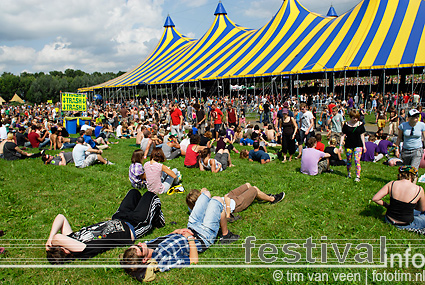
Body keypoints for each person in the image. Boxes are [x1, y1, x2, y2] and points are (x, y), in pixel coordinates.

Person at [121, 189, 238, 281]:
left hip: (192, 226)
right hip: (203, 236)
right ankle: (225, 234)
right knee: (217, 200)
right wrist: (189, 238)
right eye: (140, 247)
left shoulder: (148, 245)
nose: (141, 243)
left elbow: (166, 238)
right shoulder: (162, 261)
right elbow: (193, 260)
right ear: (145, 260)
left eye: (137, 245)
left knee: (205, 194)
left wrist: (176, 231)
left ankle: (217, 219)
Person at [45, 189, 165, 264]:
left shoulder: (71, 239)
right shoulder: (81, 250)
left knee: (133, 193)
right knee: (150, 196)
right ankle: (157, 221)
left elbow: (61, 217)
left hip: (119, 218)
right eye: (59, 246)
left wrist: (50, 238)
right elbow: (57, 237)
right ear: (64, 250)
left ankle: (146, 211)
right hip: (133, 227)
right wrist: (51, 240)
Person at [186, 183, 285, 221]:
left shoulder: (194, 210)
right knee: (254, 189)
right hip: (235, 204)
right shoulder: (208, 210)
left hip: (228, 197)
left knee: (247, 185)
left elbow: (204, 189)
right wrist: (227, 202)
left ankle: (260, 196)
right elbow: (225, 214)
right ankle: (272, 199)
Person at [372, 166, 425, 234]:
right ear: (413, 176)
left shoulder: (392, 183)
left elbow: (375, 198)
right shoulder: (419, 189)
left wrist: (387, 205)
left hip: (389, 219)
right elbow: (422, 208)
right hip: (406, 224)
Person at [395, 109, 425, 176]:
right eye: (414, 116)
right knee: (406, 171)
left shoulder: (422, 125)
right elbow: (399, 138)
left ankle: (413, 185)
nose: (416, 118)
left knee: (413, 170)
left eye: (417, 116)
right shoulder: (403, 126)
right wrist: (396, 149)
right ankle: (407, 184)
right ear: (409, 117)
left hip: (417, 150)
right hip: (406, 150)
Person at [340, 110, 366, 182]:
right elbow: (342, 135)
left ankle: (358, 176)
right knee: (349, 160)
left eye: (357, 118)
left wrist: (364, 146)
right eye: (354, 118)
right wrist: (340, 145)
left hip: (358, 144)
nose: (356, 120)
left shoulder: (360, 124)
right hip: (348, 145)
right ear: (351, 117)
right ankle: (349, 173)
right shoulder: (346, 125)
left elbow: (362, 135)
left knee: (357, 160)